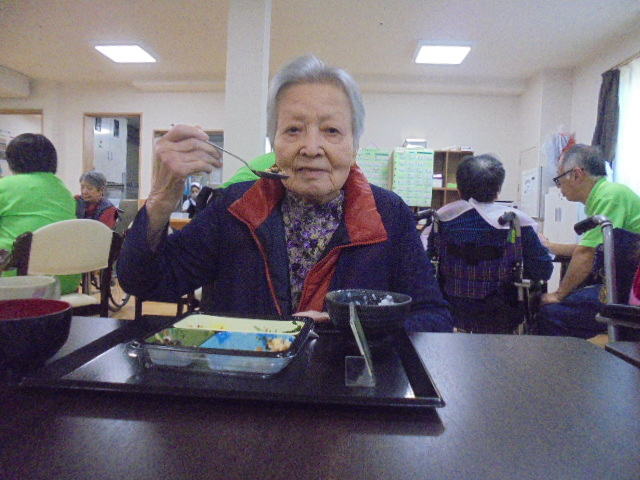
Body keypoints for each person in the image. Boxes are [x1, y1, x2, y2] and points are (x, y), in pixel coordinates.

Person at [118, 55, 452, 332]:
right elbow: (145, 281)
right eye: (293, 129)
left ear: (355, 146)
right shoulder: (234, 207)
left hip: (345, 383)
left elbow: (433, 318)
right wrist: (160, 201)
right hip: (246, 383)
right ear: (274, 143)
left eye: (331, 130)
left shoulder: (389, 213)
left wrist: (354, 329)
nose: (311, 148)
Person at [427, 154, 553, 332]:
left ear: (459, 190)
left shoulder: (443, 219)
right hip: (501, 314)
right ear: (498, 189)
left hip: (453, 309)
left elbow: (429, 263)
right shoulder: (515, 223)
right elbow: (543, 270)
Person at [536, 144, 640, 338]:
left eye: (559, 179)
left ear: (576, 174)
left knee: (551, 313)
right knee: (573, 300)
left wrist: (558, 295)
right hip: (625, 284)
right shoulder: (607, 193)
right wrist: (549, 246)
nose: (559, 186)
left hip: (629, 291)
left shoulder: (609, 197)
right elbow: (594, 247)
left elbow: (587, 253)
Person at [0, 133, 80, 294]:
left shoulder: (5, 185)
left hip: (17, 280)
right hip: (65, 280)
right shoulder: (63, 190)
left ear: (13, 161)